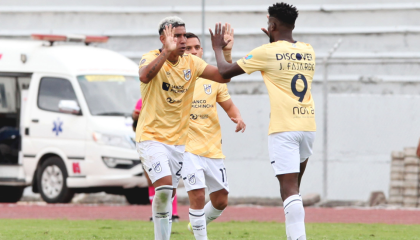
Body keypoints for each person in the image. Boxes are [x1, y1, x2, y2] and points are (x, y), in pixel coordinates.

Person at [209, 3, 316, 240]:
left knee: (289, 189)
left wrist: (218, 48)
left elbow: (224, 71)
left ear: (272, 25)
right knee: (294, 188)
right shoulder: (309, 50)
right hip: (308, 126)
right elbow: (284, 61)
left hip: (283, 128)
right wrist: (273, 42)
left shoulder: (265, 52)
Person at [135, 16, 231, 240]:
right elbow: (144, 76)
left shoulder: (191, 62)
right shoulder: (150, 58)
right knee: (165, 188)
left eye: (183, 35)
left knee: (168, 192)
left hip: (178, 144)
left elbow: (223, 76)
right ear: (163, 38)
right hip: (151, 137)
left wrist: (220, 50)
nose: (182, 40)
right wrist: (165, 53)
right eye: (176, 36)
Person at [182, 31, 246, 240]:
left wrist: (237, 117)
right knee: (198, 194)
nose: (193, 51)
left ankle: (196, 223)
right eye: (188, 48)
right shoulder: (174, 76)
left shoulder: (213, 78)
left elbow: (229, 106)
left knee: (220, 201)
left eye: (196, 47)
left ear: (202, 50)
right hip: (186, 148)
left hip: (212, 147)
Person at [132, 98, 180, 221]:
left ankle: (173, 213)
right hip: (148, 143)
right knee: (152, 180)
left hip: (168, 143)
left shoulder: (169, 97)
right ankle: (156, 213)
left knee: (169, 180)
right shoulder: (142, 100)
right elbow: (135, 117)